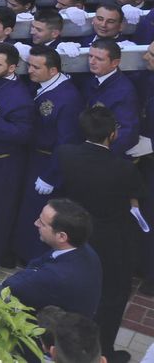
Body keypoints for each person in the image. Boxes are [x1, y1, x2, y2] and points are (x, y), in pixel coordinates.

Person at [50, 104, 143, 357]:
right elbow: (134, 195)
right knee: (112, 296)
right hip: (110, 238)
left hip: (75, 233)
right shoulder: (124, 168)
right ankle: (105, 352)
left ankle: (66, 346)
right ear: (113, 134)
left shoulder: (66, 154)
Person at [1, 199, 102, 320]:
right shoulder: (83, 248)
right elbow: (37, 263)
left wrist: (30, 273)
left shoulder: (56, 277)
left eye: (42, 223)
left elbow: (10, 287)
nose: (36, 223)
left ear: (61, 236)